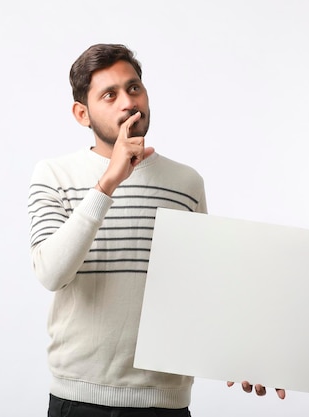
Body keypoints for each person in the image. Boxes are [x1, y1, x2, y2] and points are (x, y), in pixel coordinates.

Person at [27, 43, 285, 416]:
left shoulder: (185, 182)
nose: (127, 102)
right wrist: (108, 183)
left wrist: (245, 350)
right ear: (82, 113)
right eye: (109, 94)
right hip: (80, 400)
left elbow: (200, 288)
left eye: (134, 88)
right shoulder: (53, 175)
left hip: (164, 404)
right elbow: (51, 273)